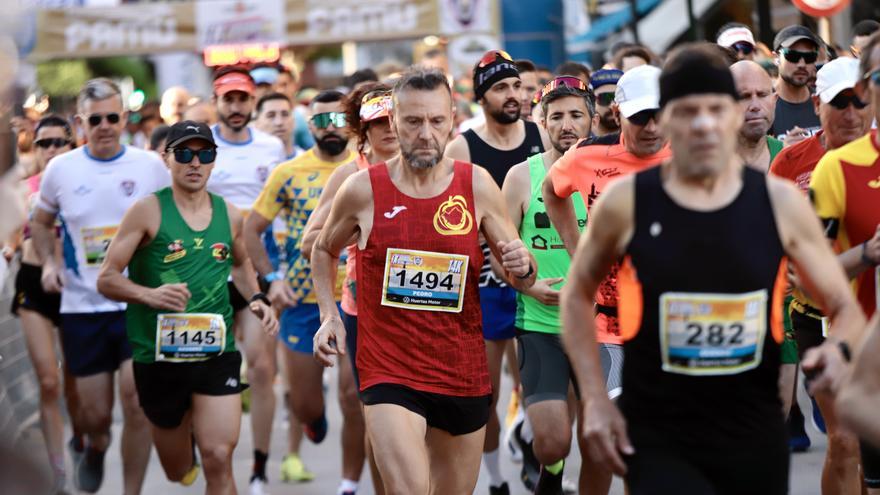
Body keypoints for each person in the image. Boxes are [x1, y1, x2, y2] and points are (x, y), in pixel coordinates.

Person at [561, 43, 865, 495]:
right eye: (687, 112)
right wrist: (594, 398)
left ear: (732, 115)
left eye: (715, 109)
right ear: (665, 119)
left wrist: (837, 350)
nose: (703, 125)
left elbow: (842, 302)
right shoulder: (626, 203)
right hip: (661, 426)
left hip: (751, 427)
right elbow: (575, 295)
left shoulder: (778, 202)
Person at [311, 66, 536, 495]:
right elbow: (323, 248)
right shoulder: (363, 189)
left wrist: (522, 263)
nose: (425, 133)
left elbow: (516, 273)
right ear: (394, 122)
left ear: (452, 119)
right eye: (413, 121)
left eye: (435, 120)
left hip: (461, 369)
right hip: (388, 369)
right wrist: (329, 315)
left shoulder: (478, 185)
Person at [96, 120, 279, 493]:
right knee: (177, 469)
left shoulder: (229, 214)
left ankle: (205, 443)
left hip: (216, 352)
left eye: (204, 153)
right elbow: (107, 278)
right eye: (184, 153)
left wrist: (257, 298)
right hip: (159, 358)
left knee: (218, 457)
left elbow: (240, 263)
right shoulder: (147, 211)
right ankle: (184, 451)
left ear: (214, 161)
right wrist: (149, 295)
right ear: (167, 159)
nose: (195, 162)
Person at [31, 78, 170, 494]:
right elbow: (40, 222)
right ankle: (94, 445)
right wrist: (50, 264)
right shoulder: (61, 169)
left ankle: (131, 490)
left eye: (113, 117)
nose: (106, 125)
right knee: (94, 414)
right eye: (96, 119)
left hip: (137, 305)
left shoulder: (149, 166)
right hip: (82, 308)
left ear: (124, 118)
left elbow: (175, 217)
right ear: (80, 123)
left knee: (136, 405)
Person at [541, 63, 670, 494]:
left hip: (672, 325)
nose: (652, 127)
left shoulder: (692, 154)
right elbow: (551, 192)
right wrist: (580, 253)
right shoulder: (587, 156)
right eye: (640, 117)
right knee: (625, 440)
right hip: (609, 328)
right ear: (617, 111)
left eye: (659, 114)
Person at [244, 90, 365, 495]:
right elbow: (251, 230)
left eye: (337, 120)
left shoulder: (365, 168)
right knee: (307, 405)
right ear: (308, 126)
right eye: (320, 121)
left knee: (353, 396)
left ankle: (354, 479)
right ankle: (312, 418)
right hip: (300, 300)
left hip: (354, 299)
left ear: (350, 124)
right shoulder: (289, 171)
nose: (330, 128)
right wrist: (272, 279)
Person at [445, 49, 550, 494]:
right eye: (501, 88)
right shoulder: (463, 146)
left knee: (539, 385)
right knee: (484, 392)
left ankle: (530, 440)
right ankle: (494, 480)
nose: (513, 95)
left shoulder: (539, 133)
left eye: (516, 87)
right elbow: (447, 216)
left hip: (535, 276)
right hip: (484, 283)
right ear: (481, 96)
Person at [300, 81, 399, 495]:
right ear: (362, 129)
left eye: (398, 119)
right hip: (366, 314)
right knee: (381, 417)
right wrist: (355, 235)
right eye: (379, 123)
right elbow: (312, 242)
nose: (391, 129)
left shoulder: (434, 164)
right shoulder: (350, 173)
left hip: (429, 310)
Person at [502, 77, 593, 494]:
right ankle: (551, 476)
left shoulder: (609, 173)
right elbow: (499, 253)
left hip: (600, 328)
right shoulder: (522, 177)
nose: (566, 124)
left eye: (576, 114)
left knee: (599, 441)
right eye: (555, 116)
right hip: (540, 323)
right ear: (540, 122)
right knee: (553, 440)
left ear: (592, 119)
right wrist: (528, 287)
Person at [801, 37, 880, 493]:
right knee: (849, 450)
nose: (851, 112)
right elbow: (813, 281)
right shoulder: (838, 168)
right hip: (863, 347)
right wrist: (867, 253)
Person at [207, 65, 286, 495]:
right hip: (209, 270)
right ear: (216, 102)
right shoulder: (198, 147)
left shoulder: (273, 147)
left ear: (252, 101)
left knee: (261, 365)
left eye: (243, 99)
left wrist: (280, 272)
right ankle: (209, 451)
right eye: (228, 100)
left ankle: (258, 467)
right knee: (204, 364)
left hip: (256, 267)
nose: (236, 108)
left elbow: (285, 207)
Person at [6, 114, 82, 493]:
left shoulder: (84, 183)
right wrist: (8, 246)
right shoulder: (21, 189)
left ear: (71, 144)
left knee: (74, 385)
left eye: (59, 142)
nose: (51, 150)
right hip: (34, 285)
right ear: (33, 148)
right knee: (48, 383)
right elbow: (9, 233)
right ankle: (59, 474)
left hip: (76, 289)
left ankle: (82, 438)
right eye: (44, 144)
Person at [769, 25, 822, 144]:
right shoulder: (764, 106)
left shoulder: (823, 102)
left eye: (809, 57)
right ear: (776, 57)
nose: (802, 64)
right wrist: (782, 152)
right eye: (793, 56)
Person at [731, 61, 782, 172]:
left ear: (775, 100)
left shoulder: (791, 157)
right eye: (744, 97)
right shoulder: (707, 163)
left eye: (762, 95)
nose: (755, 106)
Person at [273, 65, 316, 151]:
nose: (279, 90)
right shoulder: (263, 116)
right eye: (275, 86)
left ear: (295, 85)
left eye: (284, 85)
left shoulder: (305, 114)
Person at [255, 92, 302, 160]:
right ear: (257, 122)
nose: (279, 122)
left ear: (294, 120)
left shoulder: (308, 163)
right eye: (271, 116)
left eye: (285, 114)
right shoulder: (249, 161)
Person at [590, 69, 623, 138]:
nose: (612, 105)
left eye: (617, 97)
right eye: (604, 98)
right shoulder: (581, 144)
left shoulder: (638, 143)